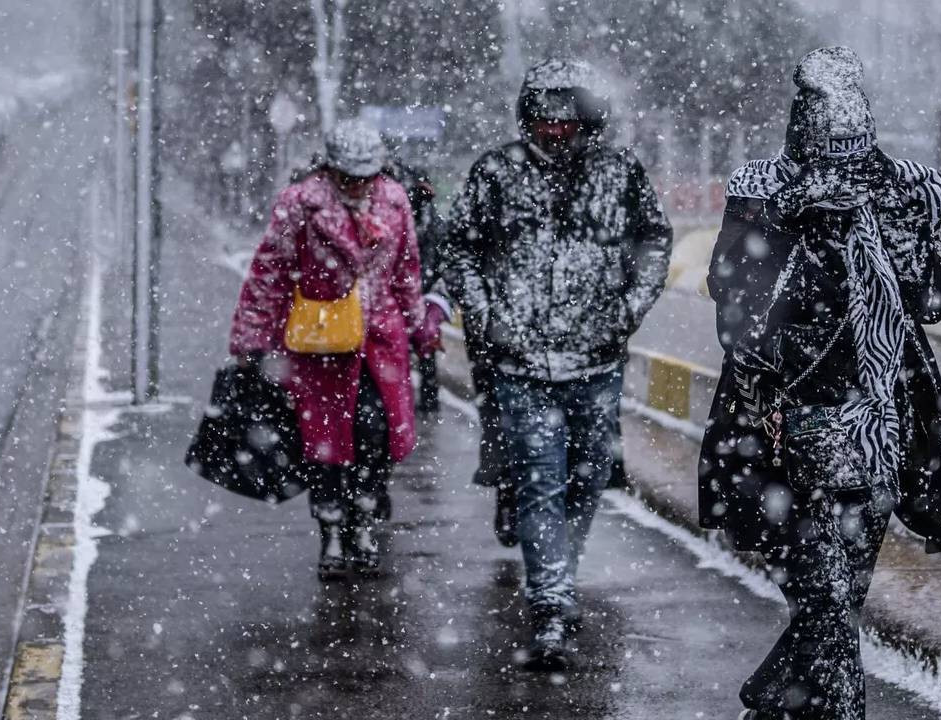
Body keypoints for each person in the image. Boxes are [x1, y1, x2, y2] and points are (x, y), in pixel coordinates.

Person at [697, 47, 941, 720]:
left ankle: (775, 699)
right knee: (828, 597)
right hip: (805, 426)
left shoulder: (898, 190)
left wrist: (899, 238)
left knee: (835, 597)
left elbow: (932, 300)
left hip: (879, 427)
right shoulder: (769, 191)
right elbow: (738, 308)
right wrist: (802, 229)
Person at [444, 58, 672, 670]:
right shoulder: (495, 173)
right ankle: (550, 601)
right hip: (520, 363)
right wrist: (486, 315)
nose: (552, 133)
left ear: (589, 123)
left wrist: (629, 305)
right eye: (542, 121)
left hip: (596, 360)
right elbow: (459, 247)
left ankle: (560, 570)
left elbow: (655, 237)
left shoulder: (620, 173)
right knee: (540, 479)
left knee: (589, 474)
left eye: (564, 124)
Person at [228, 120, 443, 580]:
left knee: (374, 433)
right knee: (324, 444)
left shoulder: (394, 200)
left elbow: (407, 271)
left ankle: (364, 520)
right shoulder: (300, 205)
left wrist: (418, 326)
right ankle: (330, 529)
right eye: (349, 176)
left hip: (380, 341)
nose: (358, 186)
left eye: (367, 176)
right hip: (320, 340)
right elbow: (270, 274)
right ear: (330, 170)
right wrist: (252, 340)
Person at [383, 156, 451, 415]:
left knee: (419, 347)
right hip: (411, 287)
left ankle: (416, 398)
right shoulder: (412, 214)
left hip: (416, 288)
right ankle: (420, 398)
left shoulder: (419, 217)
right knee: (419, 347)